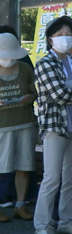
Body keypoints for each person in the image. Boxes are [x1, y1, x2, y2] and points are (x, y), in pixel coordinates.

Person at [33, 16, 72, 234]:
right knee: (51, 177)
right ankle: (43, 224)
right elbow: (59, 95)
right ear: (49, 39)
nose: (65, 38)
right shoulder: (44, 63)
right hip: (55, 126)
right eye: (59, 35)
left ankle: (67, 221)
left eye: (68, 34)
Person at [0, 33, 37, 223]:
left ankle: (20, 204)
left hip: (24, 123)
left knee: (24, 165)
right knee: (1, 167)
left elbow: (34, 91)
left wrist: (31, 97)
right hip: (2, 127)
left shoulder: (24, 68)